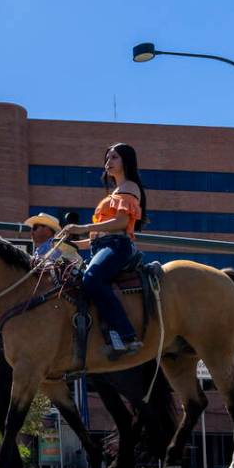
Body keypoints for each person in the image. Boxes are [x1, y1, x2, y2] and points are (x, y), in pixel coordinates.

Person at [56, 143, 148, 359]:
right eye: (107, 158)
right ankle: (104, 335)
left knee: (92, 279)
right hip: (103, 246)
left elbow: (121, 222)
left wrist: (83, 228)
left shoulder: (130, 186)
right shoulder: (115, 192)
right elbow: (99, 237)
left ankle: (127, 336)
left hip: (118, 246)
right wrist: (73, 244)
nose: (108, 162)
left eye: (114, 157)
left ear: (126, 160)